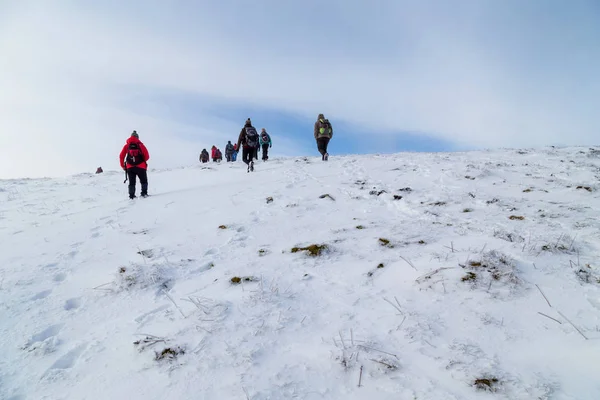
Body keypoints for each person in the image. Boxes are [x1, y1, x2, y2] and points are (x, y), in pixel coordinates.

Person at [119, 130, 150, 199]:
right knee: (144, 181)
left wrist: (123, 166)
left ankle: (132, 196)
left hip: (130, 167)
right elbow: (147, 156)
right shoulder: (141, 145)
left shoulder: (127, 146)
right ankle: (144, 193)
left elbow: (121, 156)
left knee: (132, 182)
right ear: (137, 137)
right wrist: (142, 161)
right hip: (141, 167)